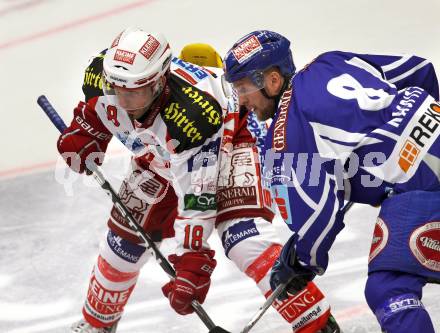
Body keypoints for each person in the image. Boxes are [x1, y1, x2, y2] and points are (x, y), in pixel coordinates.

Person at [58, 27, 340, 333]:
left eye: (135, 92)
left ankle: (315, 322)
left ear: (158, 82)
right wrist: (84, 133)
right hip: (159, 156)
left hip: (231, 140)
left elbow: (197, 197)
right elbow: (93, 111)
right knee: (122, 241)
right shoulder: (98, 75)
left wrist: (192, 259)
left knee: (244, 239)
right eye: (117, 91)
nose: (125, 102)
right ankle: (96, 324)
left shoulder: (192, 117)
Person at [223, 29, 440, 332]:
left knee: (389, 290)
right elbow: (420, 70)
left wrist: (297, 263)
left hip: (424, 183)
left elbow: (317, 217)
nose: (242, 100)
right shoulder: (330, 61)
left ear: (272, 81)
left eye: (244, 88)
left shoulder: (284, 137)